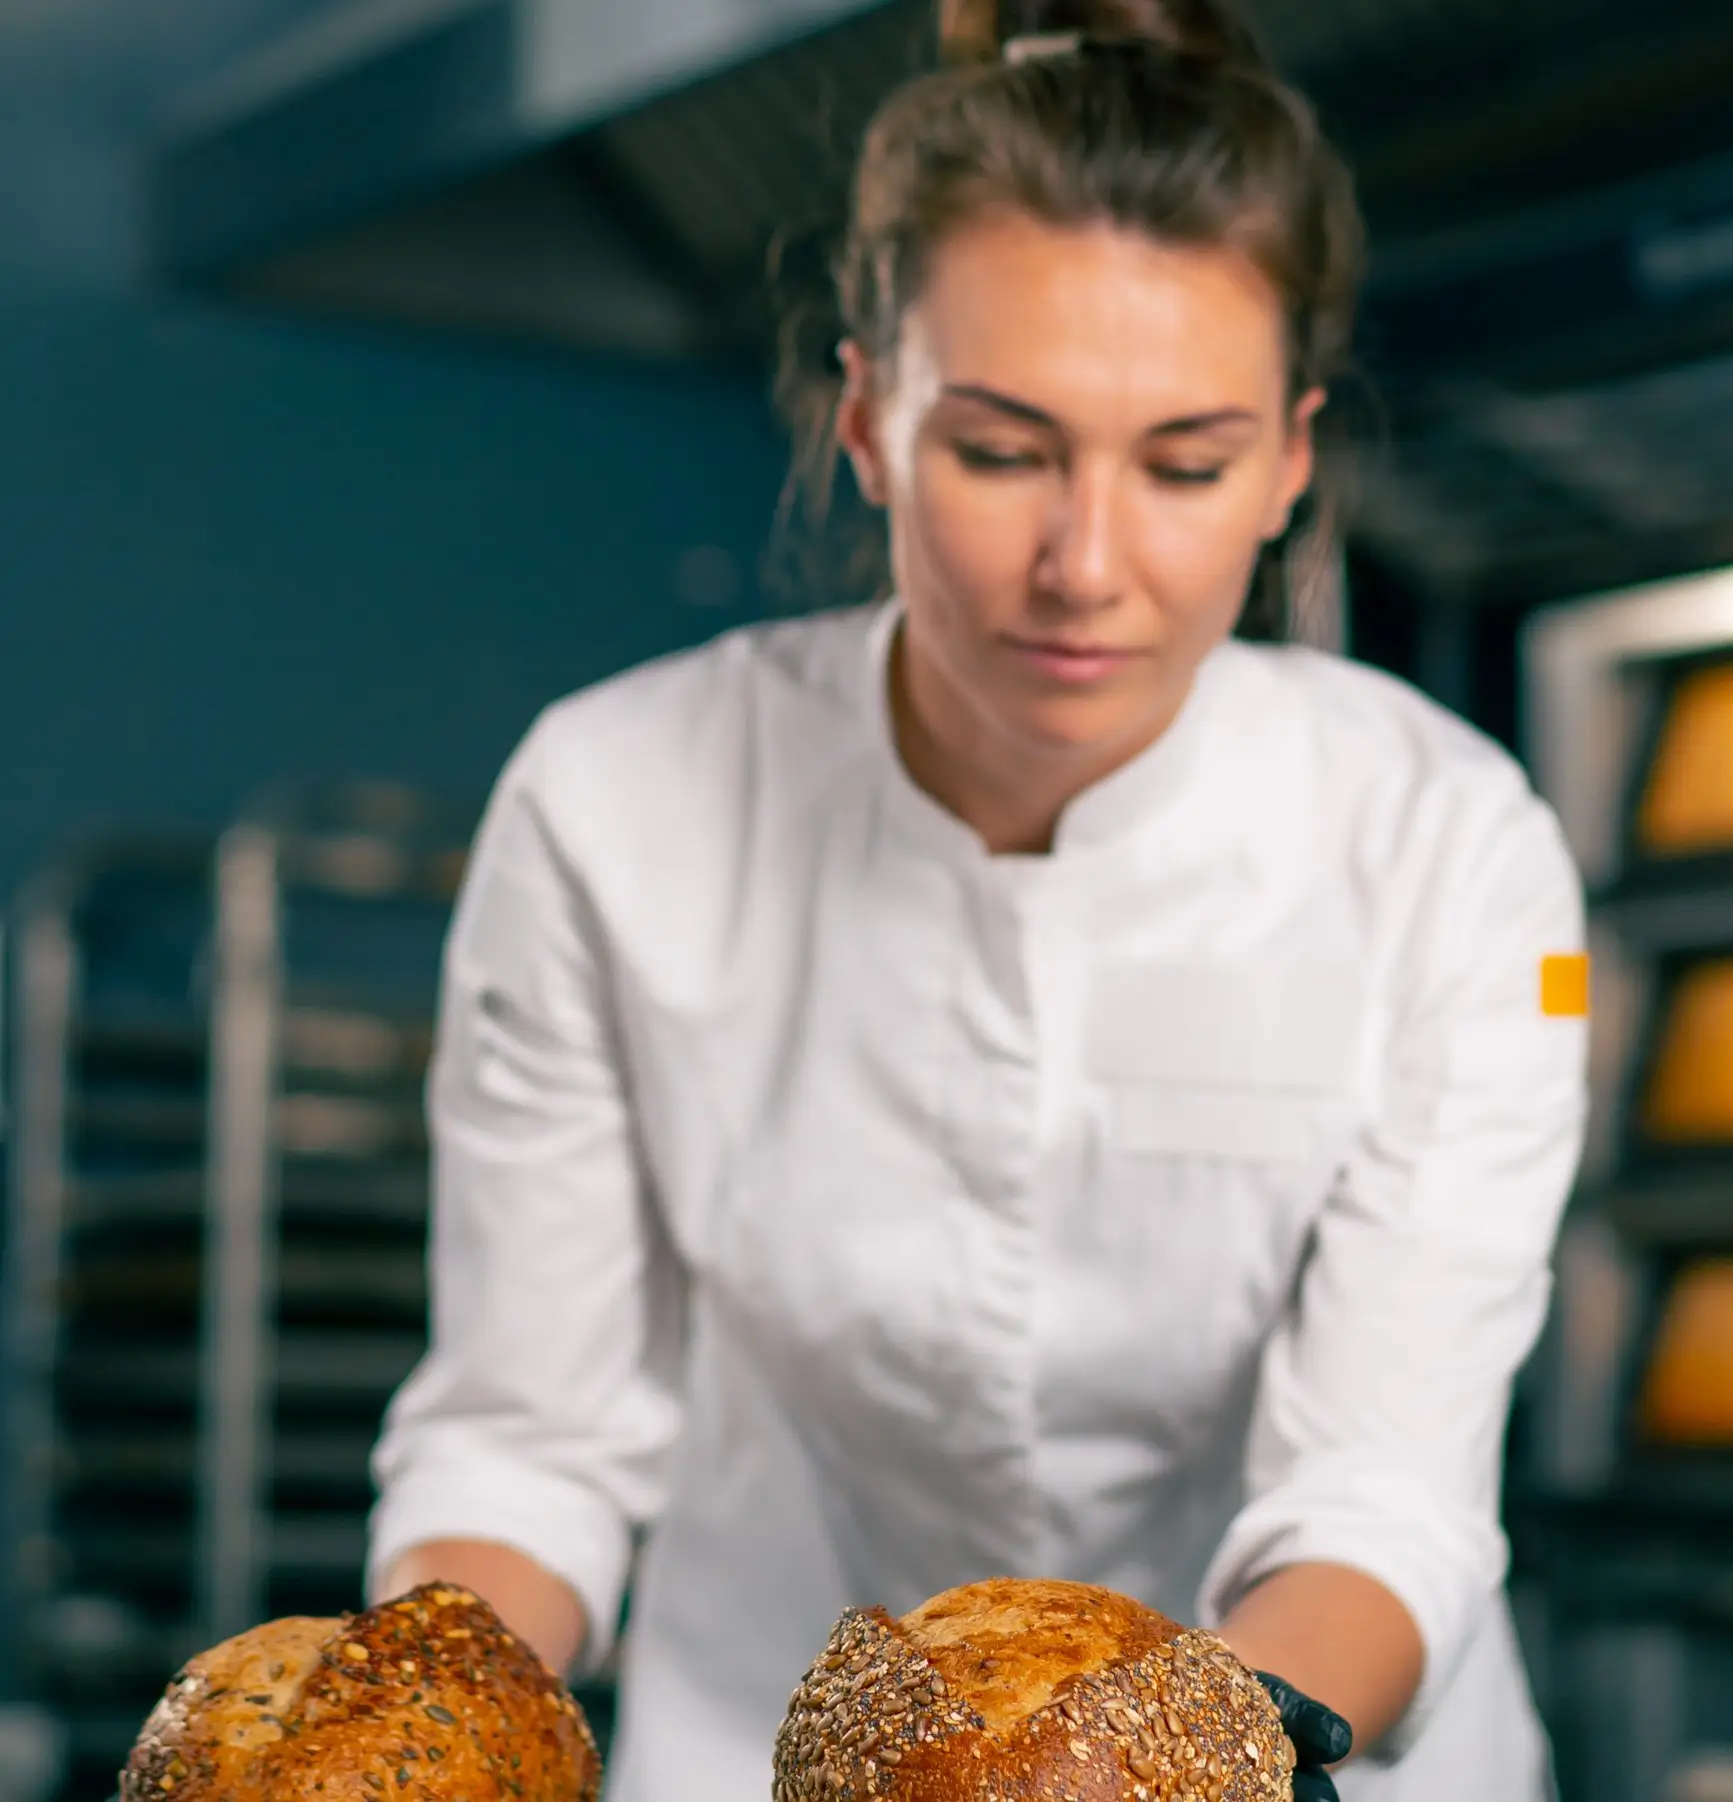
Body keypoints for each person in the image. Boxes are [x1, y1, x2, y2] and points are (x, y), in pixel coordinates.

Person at [365, 1, 1590, 1798]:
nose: (1086, 564)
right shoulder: (614, 803)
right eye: (1003, 450)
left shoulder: (1446, 844)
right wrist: (411, 1728)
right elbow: (530, 1432)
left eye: (1184, 464)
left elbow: (1381, 1486)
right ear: (865, 419)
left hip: (1288, 1760)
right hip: (766, 1741)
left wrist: (1146, 1766)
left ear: (1290, 460)